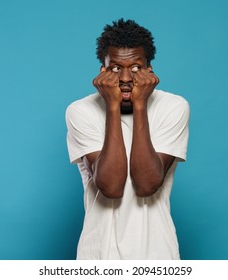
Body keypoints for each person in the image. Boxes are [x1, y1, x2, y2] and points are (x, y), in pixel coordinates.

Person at [65, 18, 190, 260]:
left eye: (135, 68)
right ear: (103, 70)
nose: (124, 78)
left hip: (157, 255)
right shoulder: (81, 111)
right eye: (115, 68)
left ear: (149, 70)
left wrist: (140, 104)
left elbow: (147, 184)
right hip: (98, 255)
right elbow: (111, 187)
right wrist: (112, 106)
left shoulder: (174, 107)